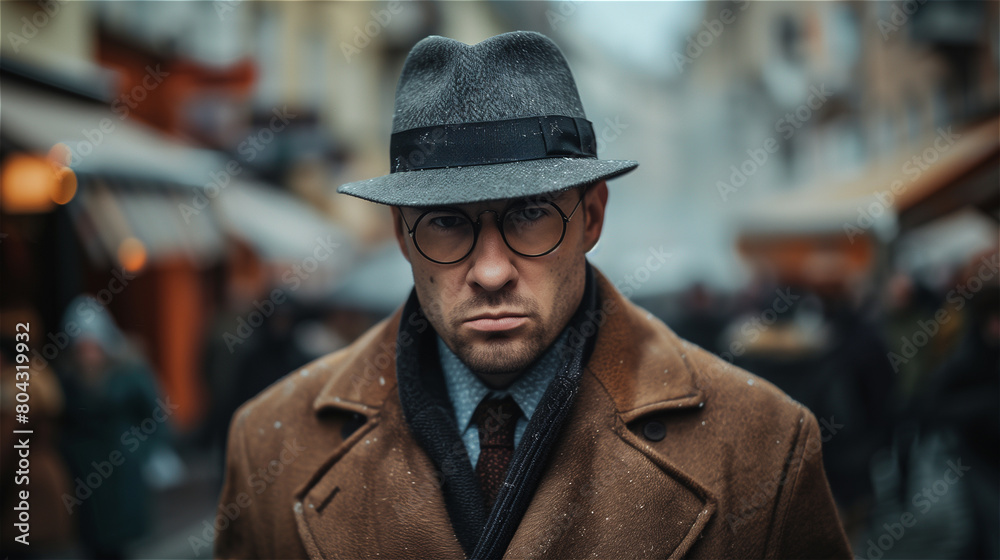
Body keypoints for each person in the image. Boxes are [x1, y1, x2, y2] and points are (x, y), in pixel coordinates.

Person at [214, 31, 851, 559]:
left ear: (593, 218)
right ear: (400, 235)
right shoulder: (272, 445)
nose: (491, 273)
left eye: (530, 215)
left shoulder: (763, 446)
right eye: (446, 221)